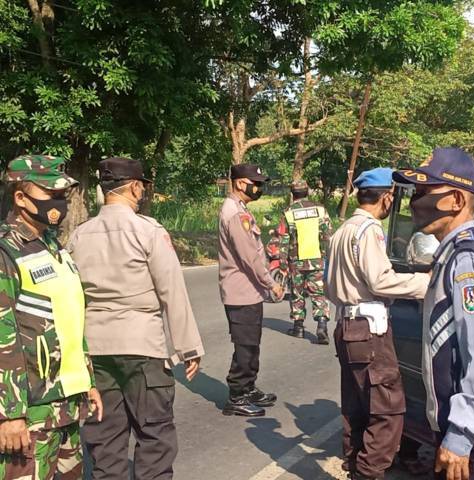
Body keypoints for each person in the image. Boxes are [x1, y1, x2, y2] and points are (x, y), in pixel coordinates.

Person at [68, 157, 204, 480]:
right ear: (134, 187)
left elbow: (71, 298)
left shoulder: (79, 236)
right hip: (143, 349)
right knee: (154, 439)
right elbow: (173, 291)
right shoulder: (149, 231)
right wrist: (188, 348)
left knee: (106, 444)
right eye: (142, 186)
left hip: (96, 352)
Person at [393, 147, 474, 480]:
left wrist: (462, 435)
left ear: (455, 200)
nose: (414, 201)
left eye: (423, 192)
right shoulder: (452, 254)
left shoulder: (466, 260)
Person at [0, 155, 102, 480]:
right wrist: (9, 415)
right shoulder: (7, 252)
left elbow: (70, 319)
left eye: (62, 195)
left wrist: (88, 381)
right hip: (31, 412)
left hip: (66, 405)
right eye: (51, 194)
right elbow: (3, 338)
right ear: (20, 198)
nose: (59, 203)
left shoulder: (52, 247)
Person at [325, 167, 430, 480]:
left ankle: (355, 464)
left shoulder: (344, 229)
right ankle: (368, 473)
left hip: (347, 324)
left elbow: (329, 284)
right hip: (369, 328)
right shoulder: (369, 230)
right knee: (387, 410)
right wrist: (426, 282)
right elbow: (380, 281)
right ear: (387, 197)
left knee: (357, 406)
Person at [218, 164, 283, 417]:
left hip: (248, 291)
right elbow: (249, 257)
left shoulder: (240, 210)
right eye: (255, 182)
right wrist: (271, 283)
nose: (259, 188)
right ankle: (237, 395)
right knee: (245, 344)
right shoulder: (235, 214)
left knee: (252, 343)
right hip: (240, 290)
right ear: (239, 183)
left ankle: (248, 387)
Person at [276, 180, 333, 343]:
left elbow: (284, 240)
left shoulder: (288, 212)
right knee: (319, 293)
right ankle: (322, 326)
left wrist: (282, 265)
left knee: (297, 293)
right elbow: (328, 235)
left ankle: (298, 327)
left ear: (292, 193)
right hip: (317, 260)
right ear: (307, 191)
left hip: (296, 261)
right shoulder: (320, 210)